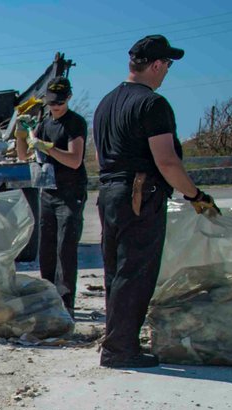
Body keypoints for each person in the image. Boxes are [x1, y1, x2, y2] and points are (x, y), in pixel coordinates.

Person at [93, 34, 219, 369]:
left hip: (109, 194)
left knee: (116, 271)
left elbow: (101, 155)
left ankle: (117, 340)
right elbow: (167, 161)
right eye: (167, 66)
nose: (166, 74)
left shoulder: (106, 103)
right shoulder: (152, 104)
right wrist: (195, 196)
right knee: (136, 271)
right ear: (157, 65)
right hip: (140, 193)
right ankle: (121, 349)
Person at [16, 77, 88, 315]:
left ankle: (66, 303)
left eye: (59, 102)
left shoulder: (74, 123)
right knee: (46, 248)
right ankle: (48, 298)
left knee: (65, 248)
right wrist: (21, 133)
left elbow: (74, 160)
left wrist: (48, 147)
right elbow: (23, 155)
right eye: (51, 103)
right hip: (48, 192)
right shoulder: (45, 122)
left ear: (68, 98)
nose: (55, 107)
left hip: (70, 194)